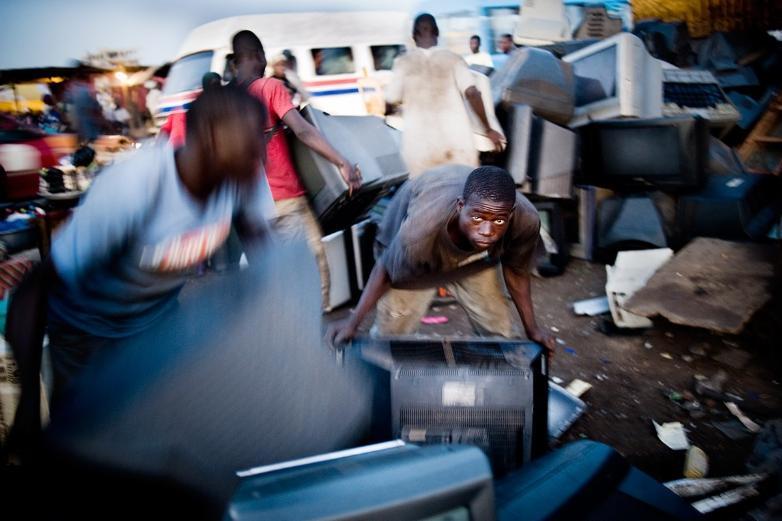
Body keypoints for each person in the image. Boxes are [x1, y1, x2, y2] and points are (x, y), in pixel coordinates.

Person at [46, 85, 276, 405]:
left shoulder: (237, 181)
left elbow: (267, 258)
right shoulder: (140, 183)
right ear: (212, 135)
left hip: (154, 324)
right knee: (91, 432)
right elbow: (36, 290)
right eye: (252, 138)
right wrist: (29, 403)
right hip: (87, 335)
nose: (261, 152)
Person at [327, 164, 556, 354]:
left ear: (511, 212)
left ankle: (502, 383)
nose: (487, 230)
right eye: (477, 217)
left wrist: (532, 329)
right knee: (392, 337)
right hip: (416, 260)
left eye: (498, 221)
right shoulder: (418, 234)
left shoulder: (524, 220)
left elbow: (516, 272)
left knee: (499, 331)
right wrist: (353, 322)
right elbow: (386, 270)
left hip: (474, 260)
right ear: (460, 206)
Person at [232, 29, 361, 310]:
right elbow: (302, 130)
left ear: (234, 62)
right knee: (312, 275)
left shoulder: (223, 98)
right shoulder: (268, 87)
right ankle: (309, 340)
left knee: (269, 281)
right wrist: (342, 162)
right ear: (259, 56)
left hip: (247, 207)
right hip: (286, 200)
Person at [385, 13, 504, 178]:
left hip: (420, 149)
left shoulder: (402, 64)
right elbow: (472, 93)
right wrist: (488, 129)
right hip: (456, 145)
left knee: (427, 197)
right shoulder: (454, 59)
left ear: (413, 36)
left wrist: (388, 111)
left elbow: (391, 100)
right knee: (463, 195)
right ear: (437, 33)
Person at [159, 72, 222, 148]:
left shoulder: (179, 105)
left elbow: (165, 128)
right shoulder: (206, 103)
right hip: (191, 148)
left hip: (180, 148)